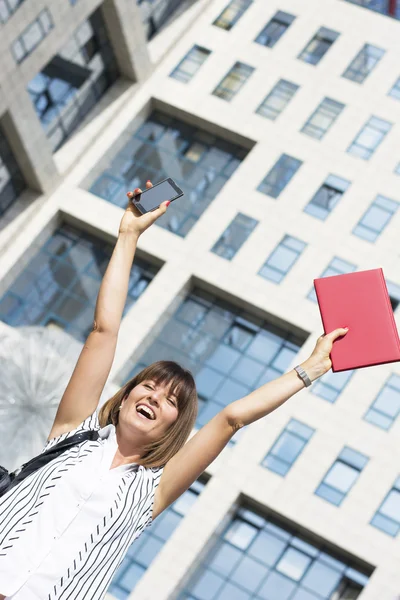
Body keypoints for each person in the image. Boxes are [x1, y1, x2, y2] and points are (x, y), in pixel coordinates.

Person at [0, 181, 348, 600]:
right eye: (148, 386)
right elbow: (104, 330)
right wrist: (129, 235)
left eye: (170, 402)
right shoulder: (73, 432)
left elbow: (231, 418)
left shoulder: (154, 490)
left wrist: (307, 370)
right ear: (126, 395)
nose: (153, 398)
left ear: (174, 426)